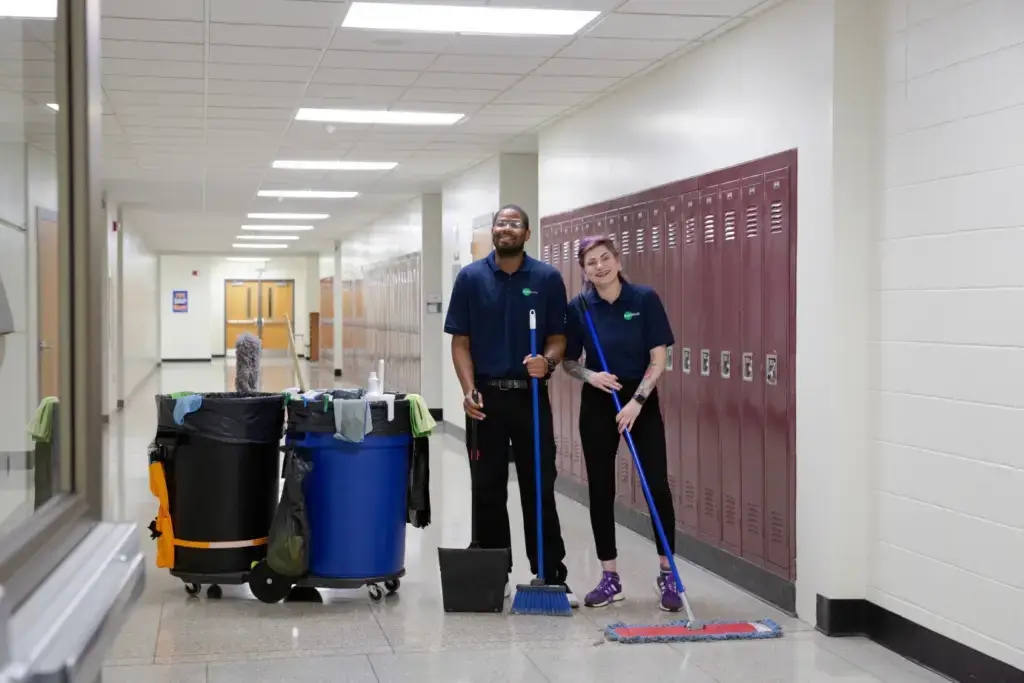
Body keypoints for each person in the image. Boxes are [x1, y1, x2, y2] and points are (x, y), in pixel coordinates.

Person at [444, 204, 577, 607]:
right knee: (486, 490)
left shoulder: (547, 278)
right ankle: (493, 572)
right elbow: (460, 342)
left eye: (514, 223)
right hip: (485, 397)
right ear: (493, 231)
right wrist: (468, 391)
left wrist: (548, 361)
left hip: (529, 397)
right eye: (501, 223)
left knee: (539, 488)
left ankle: (550, 574)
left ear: (527, 233)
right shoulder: (469, 278)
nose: (506, 228)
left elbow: (558, 337)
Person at [562, 235, 681, 612]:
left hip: (639, 402)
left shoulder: (644, 299)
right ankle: (609, 576)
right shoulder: (579, 307)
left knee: (657, 487)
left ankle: (668, 574)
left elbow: (658, 359)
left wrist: (636, 402)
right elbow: (568, 361)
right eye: (591, 263)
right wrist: (591, 376)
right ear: (584, 271)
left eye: (604, 258)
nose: (599, 266)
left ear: (617, 259)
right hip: (599, 401)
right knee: (601, 488)